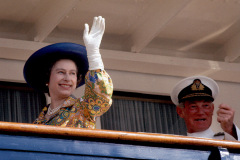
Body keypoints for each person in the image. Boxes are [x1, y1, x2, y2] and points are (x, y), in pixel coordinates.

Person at [23, 16, 113, 129]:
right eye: (61, 72)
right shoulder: (39, 120)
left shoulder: (83, 108)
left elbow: (101, 98)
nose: (67, 78)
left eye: (72, 73)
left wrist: (94, 54)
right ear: (47, 78)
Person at [170, 75, 240, 141]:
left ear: (212, 109)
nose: (200, 112)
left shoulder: (224, 140)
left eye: (206, 106)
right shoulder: (175, 147)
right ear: (180, 111)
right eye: (193, 107)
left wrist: (230, 129)